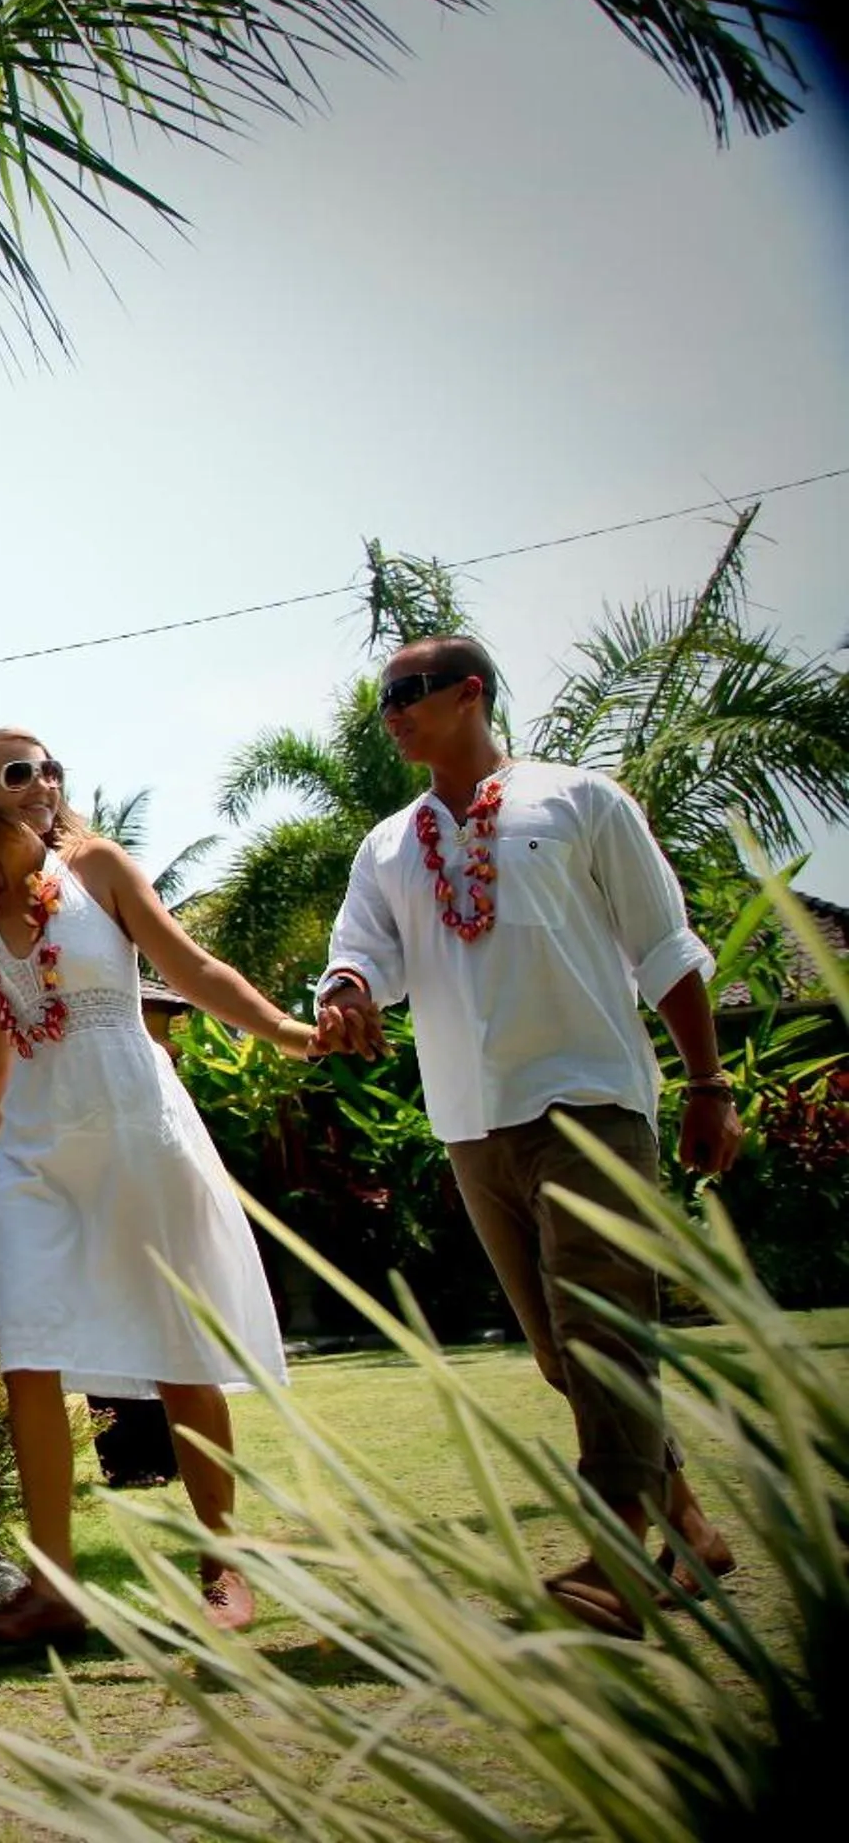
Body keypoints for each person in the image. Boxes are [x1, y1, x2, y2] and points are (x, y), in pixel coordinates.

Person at [315, 635, 740, 1638]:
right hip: (471, 1118)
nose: (392, 713)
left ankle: (616, 1552)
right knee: (560, 1350)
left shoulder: (582, 801)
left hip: (589, 1099)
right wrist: (345, 990)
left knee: (603, 1330)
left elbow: (664, 946)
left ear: (470, 693)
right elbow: (362, 953)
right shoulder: (388, 844)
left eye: (409, 693)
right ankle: (691, 1531)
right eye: (383, 699)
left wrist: (709, 1084)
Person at [0, 727, 317, 1646]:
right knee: (24, 1352)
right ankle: (54, 1588)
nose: (45, 785)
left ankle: (223, 1565)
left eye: (51, 769)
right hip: (38, 1144)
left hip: (132, 1121)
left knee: (178, 1344)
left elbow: (188, 968)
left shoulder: (97, 869)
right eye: (20, 772)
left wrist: (286, 1030)